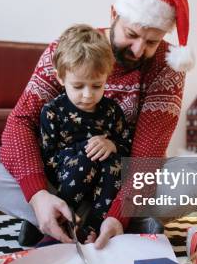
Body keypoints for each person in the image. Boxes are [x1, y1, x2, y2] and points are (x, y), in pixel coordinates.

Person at [0, 0, 194, 249]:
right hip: (61, 178)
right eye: (131, 34)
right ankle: (55, 213)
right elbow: (21, 121)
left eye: (151, 42)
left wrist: (118, 213)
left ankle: (90, 223)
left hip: (120, 181)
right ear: (113, 14)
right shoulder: (69, 50)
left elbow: (148, 154)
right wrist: (37, 194)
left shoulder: (167, 66)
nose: (137, 49)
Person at [39, 24, 132, 243]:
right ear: (61, 78)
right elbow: (49, 158)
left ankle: (95, 227)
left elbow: (127, 146)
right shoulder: (53, 111)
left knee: (114, 160)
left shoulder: (111, 111)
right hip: (67, 184)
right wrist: (84, 152)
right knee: (88, 158)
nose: (88, 95)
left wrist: (112, 145)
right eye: (78, 86)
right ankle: (59, 223)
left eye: (97, 86)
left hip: (104, 190)